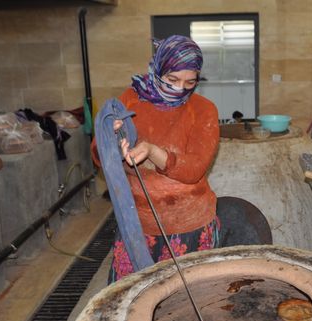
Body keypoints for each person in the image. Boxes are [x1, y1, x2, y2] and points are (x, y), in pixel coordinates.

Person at [91, 35, 221, 283]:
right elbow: (98, 153)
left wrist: (152, 151)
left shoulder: (204, 109)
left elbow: (194, 169)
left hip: (189, 224)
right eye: (172, 80)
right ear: (158, 69)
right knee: (135, 299)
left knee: (185, 300)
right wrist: (113, 141)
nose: (180, 88)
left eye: (189, 82)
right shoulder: (130, 99)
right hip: (138, 225)